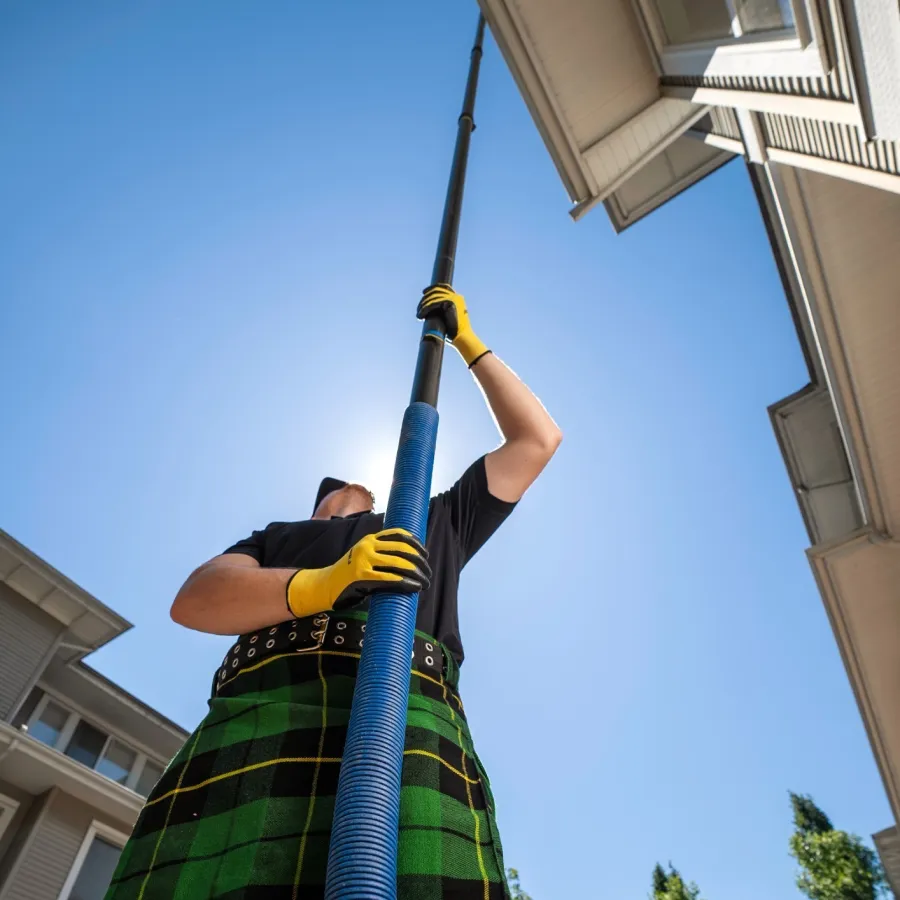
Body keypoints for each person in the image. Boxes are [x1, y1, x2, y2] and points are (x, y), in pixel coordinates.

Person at [105, 286, 562, 899]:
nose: (355, 495)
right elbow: (195, 599)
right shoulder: (274, 538)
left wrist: (467, 342)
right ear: (320, 502)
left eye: (361, 492)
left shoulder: (427, 522)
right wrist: (330, 580)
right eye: (341, 491)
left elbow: (536, 440)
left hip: (409, 714)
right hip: (261, 712)